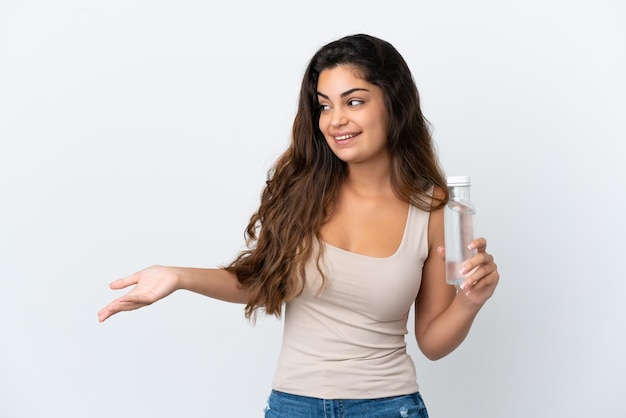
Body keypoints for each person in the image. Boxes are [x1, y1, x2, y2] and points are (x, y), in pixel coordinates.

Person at [98, 33, 499, 417]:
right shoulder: (301, 192)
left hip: (389, 407)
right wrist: (178, 276)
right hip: (293, 406)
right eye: (324, 106)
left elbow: (431, 340)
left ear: (394, 104)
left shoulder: (432, 208)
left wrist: (469, 302)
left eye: (354, 101)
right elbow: (260, 283)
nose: (336, 120)